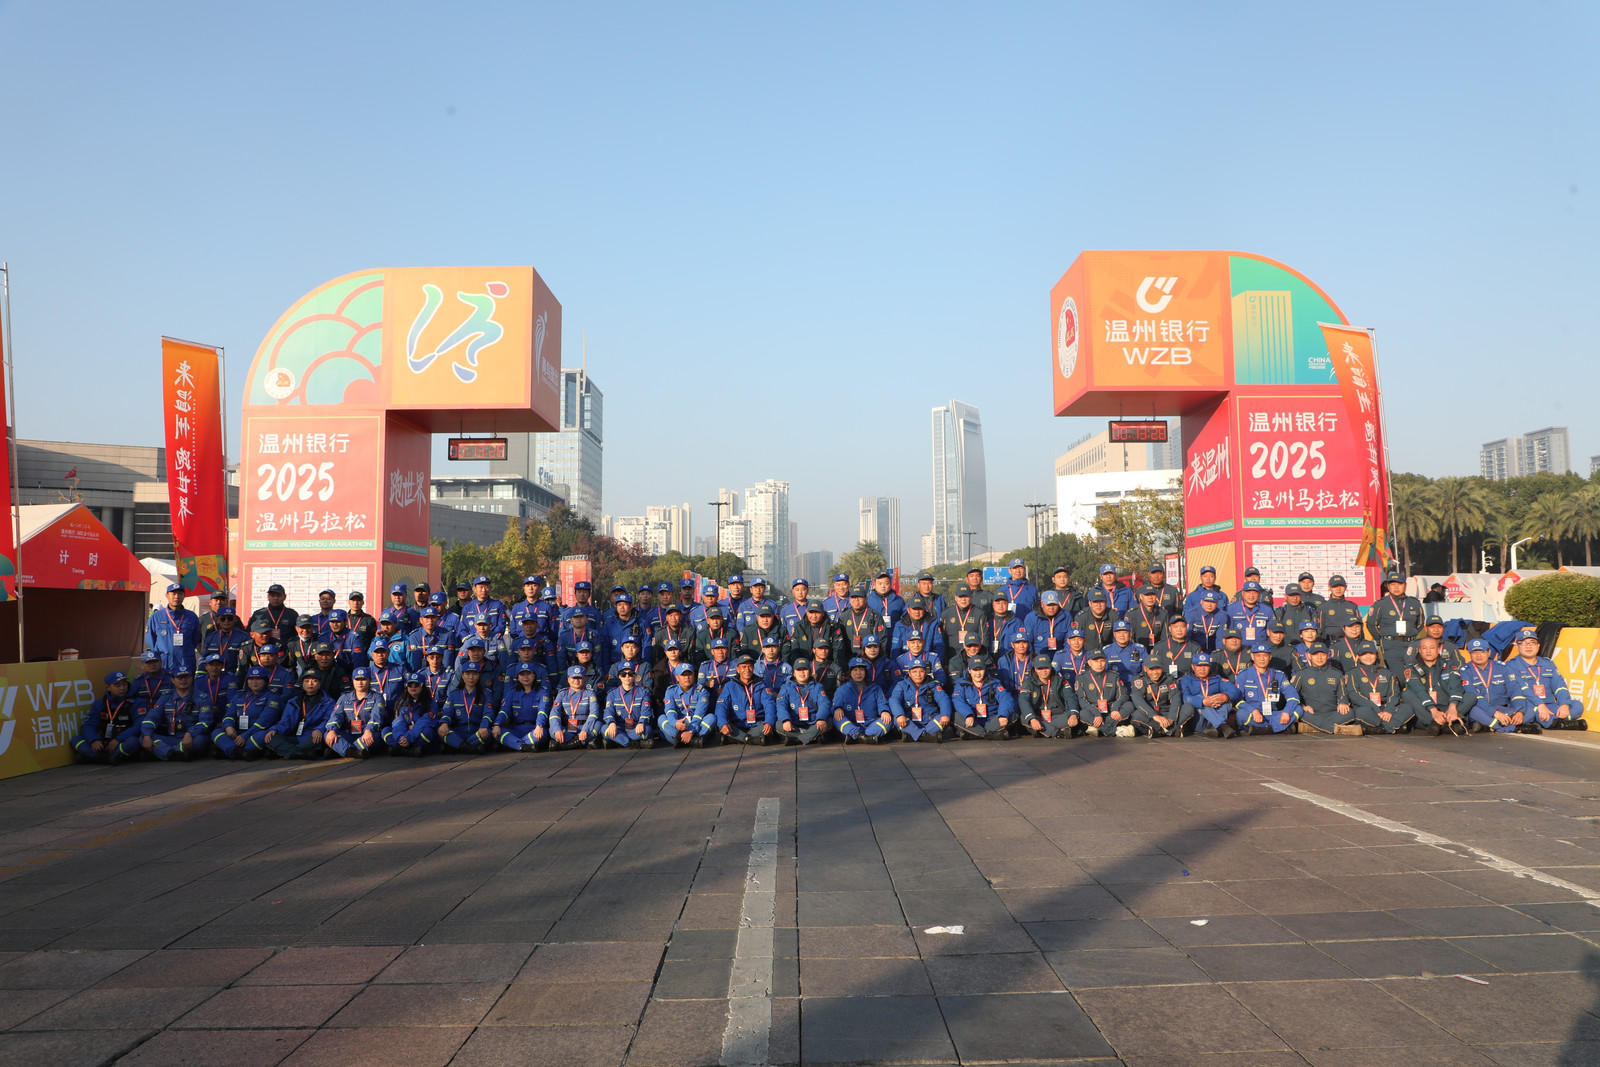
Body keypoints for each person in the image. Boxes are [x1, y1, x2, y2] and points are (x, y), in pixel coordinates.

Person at [1507, 626, 1586, 730]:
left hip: (1549, 705)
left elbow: (1560, 686)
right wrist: (1540, 704)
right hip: (1529, 704)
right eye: (1524, 643)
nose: (1528, 646)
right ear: (1517, 646)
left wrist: (1564, 705)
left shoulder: (1548, 663)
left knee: (1577, 706)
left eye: (1532, 643)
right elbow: (1522, 689)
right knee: (1531, 710)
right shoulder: (1511, 665)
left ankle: (1555, 722)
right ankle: (1560, 723)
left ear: (1538, 646)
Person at [1405, 636, 1474, 737]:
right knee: (1407, 694)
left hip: (1447, 706)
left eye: (1432, 648)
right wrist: (1433, 711)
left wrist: (1452, 707)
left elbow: (1455, 686)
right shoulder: (1412, 668)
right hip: (1427, 710)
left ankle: (1439, 724)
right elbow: (1419, 691)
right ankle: (1444, 723)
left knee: (1471, 696)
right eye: (1424, 648)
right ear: (1419, 651)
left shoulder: (1449, 665)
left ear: (1438, 650)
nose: (1428, 651)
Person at [142, 667, 212, 760]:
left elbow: (206, 722)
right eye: (180, 678)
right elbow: (151, 717)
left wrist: (190, 733)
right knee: (144, 737)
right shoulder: (166, 697)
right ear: (173, 680)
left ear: (192, 678)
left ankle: (164, 752)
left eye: (186, 677)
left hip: (191, 738)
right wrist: (147, 735)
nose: (183, 680)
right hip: (171, 738)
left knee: (200, 740)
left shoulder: (202, 698)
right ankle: (174, 753)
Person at [212, 667, 283, 759]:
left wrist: (245, 736)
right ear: (247, 681)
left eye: (258, 679)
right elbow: (229, 715)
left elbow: (265, 721)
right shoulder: (239, 695)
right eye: (251, 679)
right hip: (238, 732)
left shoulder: (273, 697)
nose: (254, 682)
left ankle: (231, 751)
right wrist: (228, 727)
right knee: (216, 733)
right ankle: (238, 752)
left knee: (260, 737)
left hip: (257, 731)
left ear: (265, 681)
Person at [1232, 643, 1302, 735]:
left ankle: (1263, 729)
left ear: (1270, 657)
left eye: (1265, 655)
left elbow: (1293, 696)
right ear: (1252, 656)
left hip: (1273, 714)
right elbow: (1237, 700)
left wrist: (1286, 711)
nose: (1262, 659)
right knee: (1241, 714)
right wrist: (1253, 711)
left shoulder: (1279, 675)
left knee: (1298, 709)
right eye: (1258, 656)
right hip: (1254, 714)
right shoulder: (1243, 675)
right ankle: (1278, 728)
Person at [74, 671, 142, 764]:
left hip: (122, 740)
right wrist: (93, 740)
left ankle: (95, 757)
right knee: (75, 740)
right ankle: (109, 758)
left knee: (133, 742)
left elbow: (138, 726)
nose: (122, 688)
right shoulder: (100, 703)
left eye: (124, 684)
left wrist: (118, 739)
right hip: (103, 741)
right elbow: (89, 725)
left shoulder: (136, 702)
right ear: (108, 688)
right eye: (117, 685)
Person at [1294, 644, 1361, 735]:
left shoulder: (1337, 674)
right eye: (1315, 654)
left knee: (1350, 712)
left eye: (1323, 654)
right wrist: (1303, 706)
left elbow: (1343, 694)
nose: (1319, 657)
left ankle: (1315, 727)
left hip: (1333, 713)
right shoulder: (1301, 674)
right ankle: (1335, 728)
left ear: (1328, 655)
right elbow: (1293, 696)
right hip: (1311, 713)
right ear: (1309, 656)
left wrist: (1343, 702)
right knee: (1299, 712)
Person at [1459, 638, 1524, 733]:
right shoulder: (1465, 671)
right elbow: (1473, 695)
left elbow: (1514, 690)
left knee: (1529, 709)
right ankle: (1506, 727)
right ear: (1470, 654)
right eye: (1474, 652)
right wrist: (1494, 713)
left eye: (1482, 652)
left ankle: (1490, 725)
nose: (1478, 655)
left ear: (1489, 652)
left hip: (1502, 708)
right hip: (1481, 709)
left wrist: (1519, 711)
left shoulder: (1502, 667)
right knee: (1473, 711)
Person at [1343, 641, 1407, 734]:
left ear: (1376, 655)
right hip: (1367, 708)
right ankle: (1392, 726)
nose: (1368, 657)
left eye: (1371, 653)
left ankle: (1381, 728)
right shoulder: (1352, 674)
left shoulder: (1387, 673)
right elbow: (1354, 695)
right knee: (1361, 712)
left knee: (1407, 707)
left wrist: (1388, 710)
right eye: (1364, 654)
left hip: (1385, 708)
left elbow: (1394, 693)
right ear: (1358, 656)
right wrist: (1376, 710)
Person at [1367, 572, 1424, 672]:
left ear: (1405, 585)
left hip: (1411, 644)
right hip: (1391, 646)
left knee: (1413, 674)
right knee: (1398, 675)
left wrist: (1411, 634)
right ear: (1388, 586)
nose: (1396, 587)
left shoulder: (1414, 603)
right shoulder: (1380, 604)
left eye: (1399, 584)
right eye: (1393, 584)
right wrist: (1381, 639)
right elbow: (1371, 624)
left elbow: (1420, 624)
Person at [326, 668, 385, 758]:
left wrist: (369, 730)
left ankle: (344, 750)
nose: (360, 683)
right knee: (327, 734)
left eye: (363, 679)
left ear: (370, 680)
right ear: (353, 681)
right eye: (357, 679)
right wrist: (332, 730)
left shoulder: (377, 697)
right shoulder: (344, 698)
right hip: (350, 734)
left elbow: (376, 717)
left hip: (367, 733)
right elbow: (336, 716)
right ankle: (354, 752)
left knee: (376, 736)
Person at [717, 655, 774, 745]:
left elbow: (769, 704)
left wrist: (769, 722)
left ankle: (738, 739)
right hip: (737, 725)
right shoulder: (729, 686)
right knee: (725, 726)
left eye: (750, 666)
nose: (747, 670)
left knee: (768, 728)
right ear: (738, 669)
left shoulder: (761, 684)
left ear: (753, 668)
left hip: (757, 725)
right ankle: (752, 739)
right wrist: (723, 723)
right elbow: (721, 706)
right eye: (744, 667)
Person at [1073, 648, 1131, 737]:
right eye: (1096, 661)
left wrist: (1115, 708)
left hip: (1111, 710)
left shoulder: (1114, 676)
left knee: (1129, 705)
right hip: (1093, 711)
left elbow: (1123, 695)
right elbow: (1082, 700)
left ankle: (1099, 728)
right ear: (1089, 662)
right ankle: (1117, 731)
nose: (1099, 664)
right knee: (1083, 713)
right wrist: (1097, 713)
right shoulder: (1082, 678)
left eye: (1102, 661)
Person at [1180, 654, 1240, 738]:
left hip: (1214, 715)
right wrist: (1203, 701)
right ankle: (1222, 726)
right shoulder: (1186, 680)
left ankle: (1214, 727)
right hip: (1198, 719)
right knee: (1203, 706)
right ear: (1193, 667)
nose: (1202, 669)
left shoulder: (1217, 679)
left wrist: (1225, 696)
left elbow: (1235, 691)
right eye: (1199, 666)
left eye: (1205, 666)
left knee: (1226, 704)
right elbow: (1185, 698)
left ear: (1210, 667)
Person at [147, 583, 201, 676]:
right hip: (164, 664)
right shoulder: (156, 617)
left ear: (184, 596)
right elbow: (151, 640)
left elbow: (195, 639)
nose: (177, 597)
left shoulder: (192, 617)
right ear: (167, 595)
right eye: (173, 594)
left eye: (180, 594)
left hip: (185, 663)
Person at [833, 657, 892, 743]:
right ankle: (861, 736)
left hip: (871, 723)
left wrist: (884, 711)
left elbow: (882, 703)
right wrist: (837, 708)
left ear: (866, 672)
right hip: (851, 723)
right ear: (850, 672)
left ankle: (859, 737)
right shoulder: (842, 689)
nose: (858, 673)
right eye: (855, 670)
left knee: (888, 720)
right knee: (836, 718)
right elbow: (835, 704)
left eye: (861, 670)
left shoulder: (875, 688)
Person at [1017, 655, 1075, 738]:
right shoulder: (1028, 683)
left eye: (1046, 668)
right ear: (1035, 669)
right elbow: (1023, 701)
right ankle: (1058, 732)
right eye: (1040, 668)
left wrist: (1073, 714)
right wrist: (1032, 718)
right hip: (1038, 717)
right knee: (1024, 717)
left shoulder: (1060, 680)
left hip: (1057, 716)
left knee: (1074, 716)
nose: (1043, 671)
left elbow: (1070, 697)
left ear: (1051, 667)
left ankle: (1043, 731)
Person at [659, 662, 714, 747]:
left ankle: (681, 741)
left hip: (695, 725)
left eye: (689, 674)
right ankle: (691, 740)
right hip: (678, 726)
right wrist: (675, 723)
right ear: (677, 677)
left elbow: (699, 714)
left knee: (711, 718)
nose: (687, 678)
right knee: (661, 719)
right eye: (683, 675)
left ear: (694, 675)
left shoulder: (702, 691)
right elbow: (670, 710)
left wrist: (691, 731)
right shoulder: (671, 690)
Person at [441, 663, 493, 753]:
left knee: (488, 732)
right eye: (467, 674)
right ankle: (471, 748)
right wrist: (444, 724)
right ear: (462, 675)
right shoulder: (454, 694)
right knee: (442, 731)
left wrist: (483, 726)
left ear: (479, 675)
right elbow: (447, 713)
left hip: (477, 731)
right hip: (459, 731)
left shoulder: (486, 694)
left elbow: (488, 713)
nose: (471, 677)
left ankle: (459, 746)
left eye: (474, 674)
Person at [385, 674, 441, 756]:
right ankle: (404, 748)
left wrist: (409, 737)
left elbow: (425, 722)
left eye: (416, 685)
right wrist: (401, 737)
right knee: (386, 731)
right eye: (410, 685)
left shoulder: (430, 702)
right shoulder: (402, 702)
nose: (413, 687)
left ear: (422, 686)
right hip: (406, 734)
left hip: (417, 733)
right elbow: (399, 722)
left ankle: (404, 749)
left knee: (428, 732)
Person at [1129, 655, 1185, 737]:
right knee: (1136, 715)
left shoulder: (1169, 679)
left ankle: (1157, 730)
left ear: (1162, 668)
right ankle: (1171, 730)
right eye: (1151, 669)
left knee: (1188, 708)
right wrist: (1154, 716)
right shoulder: (1139, 681)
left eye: (1158, 668)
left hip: (1166, 712)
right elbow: (1138, 700)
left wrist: (1171, 718)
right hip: (1150, 713)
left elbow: (1175, 698)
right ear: (1145, 669)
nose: (1155, 672)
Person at [549, 666, 601, 749]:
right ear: (568, 679)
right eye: (574, 678)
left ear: (584, 679)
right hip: (568, 728)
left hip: (585, 726)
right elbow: (554, 713)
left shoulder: (590, 694)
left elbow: (594, 713)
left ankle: (566, 745)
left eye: (579, 678)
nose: (576, 681)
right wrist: (557, 729)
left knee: (598, 725)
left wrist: (585, 729)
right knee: (553, 730)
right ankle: (580, 742)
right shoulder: (562, 694)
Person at [603, 665, 654, 748]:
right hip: (619, 726)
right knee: (604, 729)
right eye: (623, 674)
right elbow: (608, 711)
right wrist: (611, 723)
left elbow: (646, 711)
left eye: (630, 674)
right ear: (619, 676)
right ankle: (632, 743)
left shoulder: (643, 693)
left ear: (634, 676)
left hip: (636, 726)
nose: (627, 677)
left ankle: (620, 741)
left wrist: (641, 722)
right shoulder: (612, 694)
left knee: (647, 730)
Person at [837, 586, 888, 661]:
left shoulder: (875, 616)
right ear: (850, 600)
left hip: (869, 660)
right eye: (853, 597)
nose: (856, 600)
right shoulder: (844, 616)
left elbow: (882, 640)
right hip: (849, 659)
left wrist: (877, 660)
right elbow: (839, 641)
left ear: (866, 599)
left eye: (859, 597)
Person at [1225, 581, 1274, 648]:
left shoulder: (1267, 610)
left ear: (1259, 594)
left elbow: (1271, 632)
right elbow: (1227, 632)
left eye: (1254, 592)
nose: (1251, 595)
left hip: (1260, 649)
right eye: (1248, 592)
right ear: (1243, 593)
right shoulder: (1231, 609)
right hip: (1239, 649)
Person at [459, 575, 508, 640]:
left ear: (490, 588)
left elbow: (501, 626)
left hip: (493, 641)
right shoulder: (467, 607)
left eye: (486, 587)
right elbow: (462, 628)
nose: (483, 590)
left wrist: (490, 637)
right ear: (474, 589)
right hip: (473, 642)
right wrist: (470, 640)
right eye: (481, 587)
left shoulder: (498, 605)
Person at [1316, 575, 1362, 643]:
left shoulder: (1352, 606)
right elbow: (1319, 629)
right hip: (1329, 643)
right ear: (1329, 588)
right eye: (1335, 586)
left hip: (1349, 643)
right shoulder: (1323, 607)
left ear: (1345, 587)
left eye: (1341, 586)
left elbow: (1359, 627)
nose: (1338, 589)